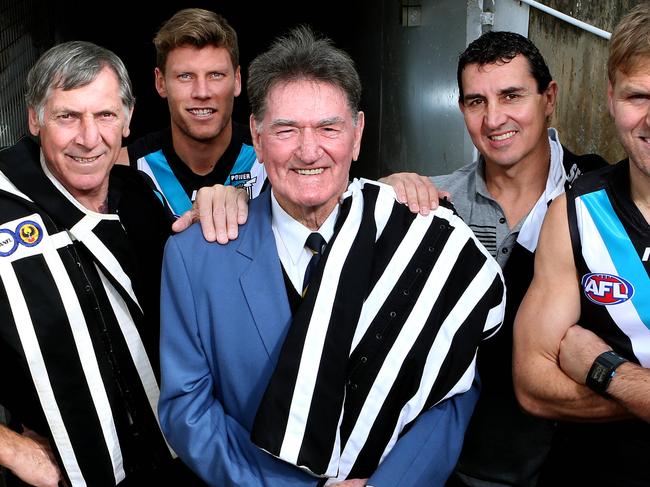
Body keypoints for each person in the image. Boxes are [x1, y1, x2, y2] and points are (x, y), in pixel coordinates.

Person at [158, 25, 506, 487]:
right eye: (286, 130)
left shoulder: (417, 238)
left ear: (357, 135)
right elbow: (187, 407)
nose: (308, 150)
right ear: (257, 140)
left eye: (328, 128)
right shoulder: (194, 255)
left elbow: (452, 388)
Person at [382, 31, 607, 487]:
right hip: (461, 466)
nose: (494, 118)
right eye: (475, 102)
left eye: (511, 95)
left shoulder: (602, 197)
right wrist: (382, 196)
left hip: (582, 460)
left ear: (550, 98)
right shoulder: (432, 205)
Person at [0, 41, 204, 487]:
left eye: (105, 115)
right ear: (34, 119)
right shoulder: (4, 203)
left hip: (172, 465)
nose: (89, 138)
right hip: (67, 477)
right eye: (67, 116)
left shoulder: (141, 198)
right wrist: (10, 448)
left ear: (128, 120)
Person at [513, 4, 650, 486]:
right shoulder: (576, 210)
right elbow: (533, 385)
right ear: (611, 97)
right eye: (638, 96)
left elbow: (571, 370)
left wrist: (606, 370)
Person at [117, 8, 262, 242]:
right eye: (185, 76)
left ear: (237, 80)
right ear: (160, 82)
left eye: (215, 75)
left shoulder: (271, 160)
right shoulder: (123, 168)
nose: (202, 92)